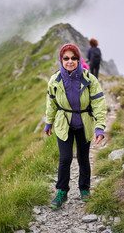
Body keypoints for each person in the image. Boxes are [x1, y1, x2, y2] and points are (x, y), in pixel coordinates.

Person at [44, 43, 106, 209]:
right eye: (66, 58)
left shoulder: (89, 79)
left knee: (83, 158)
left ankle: (84, 189)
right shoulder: (55, 80)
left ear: (79, 60)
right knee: (65, 159)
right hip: (64, 123)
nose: (70, 61)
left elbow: (99, 103)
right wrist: (48, 122)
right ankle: (61, 192)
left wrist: (100, 127)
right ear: (61, 60)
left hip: (84, 123)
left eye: (74, 58)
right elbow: (51, 103)